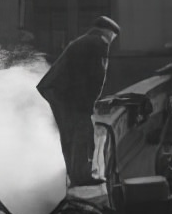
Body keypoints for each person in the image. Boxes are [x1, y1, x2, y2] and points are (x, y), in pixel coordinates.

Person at [36, 16, 120, 187]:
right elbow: (97, 78)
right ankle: (81, 176)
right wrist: (90, 105)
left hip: (57, 90)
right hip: (69, 94)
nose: (112, 41)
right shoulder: (99, 43)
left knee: (69, 134)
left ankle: (73, 174)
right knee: (82, 131)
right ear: (109, 32)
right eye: (113, 37)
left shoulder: (83, 40)